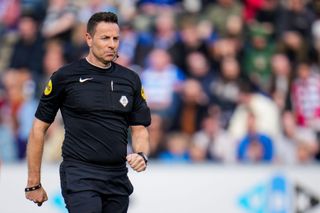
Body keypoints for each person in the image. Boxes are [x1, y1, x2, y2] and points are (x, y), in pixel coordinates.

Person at [24, 12, 151, 213]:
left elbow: (139, 129)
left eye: (115, 38)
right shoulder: (65, 77)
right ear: (89, 39)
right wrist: (33, 182)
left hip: (117, 176)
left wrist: (141, 154)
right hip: (80, 174)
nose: (112, 44)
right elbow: (38, 129)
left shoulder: (130, 80)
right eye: (105, 38)